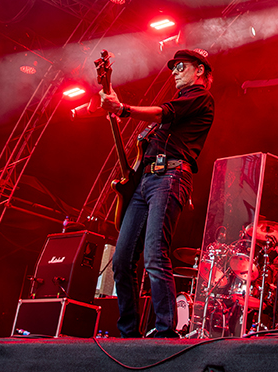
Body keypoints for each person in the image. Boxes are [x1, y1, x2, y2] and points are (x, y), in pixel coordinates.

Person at [100, 49, 216, 338]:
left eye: (181, 66)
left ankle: (165, 332)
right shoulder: (173, 113)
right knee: (121, 259)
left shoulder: (200, 97)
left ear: (199, 70)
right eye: (173, 67)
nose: (174, 72)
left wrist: (123, 109)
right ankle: (128, 333)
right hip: (145, 180)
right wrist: (111, 103)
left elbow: (162, 111)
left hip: (170, 177)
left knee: (154, 253)